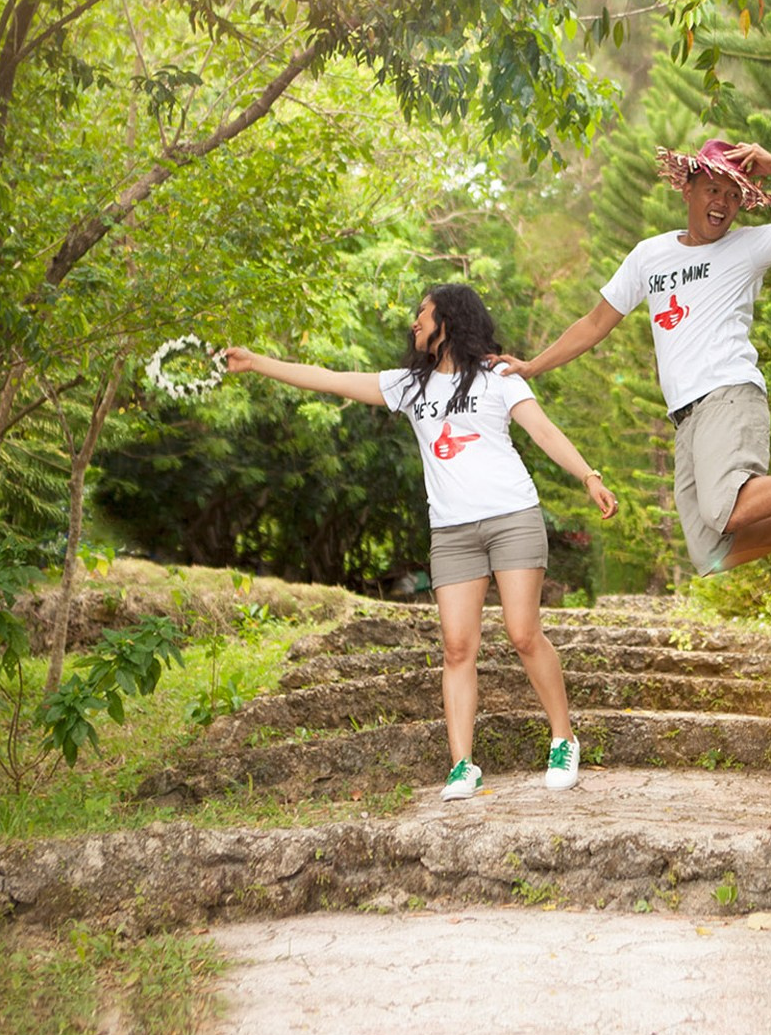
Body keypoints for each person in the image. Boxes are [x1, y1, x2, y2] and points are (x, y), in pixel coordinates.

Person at [224, 283, 618, 802]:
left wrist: (588, 476)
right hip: (453, 531)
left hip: (512, 517)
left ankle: (564, 739)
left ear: (448, 321)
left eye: (422, 314)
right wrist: (259, 363)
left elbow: (542, 431)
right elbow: (333, 380)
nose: (415, 324)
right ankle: (462, 766)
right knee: (457, 646)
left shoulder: (499, 378)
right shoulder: (410, 385)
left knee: (523, 633)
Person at [491, 138, 771, 576]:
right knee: (710, 553)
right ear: (688, 189)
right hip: (686, 417)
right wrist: (531, 366)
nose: (724, 203)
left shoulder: (748, 246)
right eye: (714, 190)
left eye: (734, 196)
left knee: (726, 506)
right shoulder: (650, 256)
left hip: (728, 392)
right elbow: (595, 323)